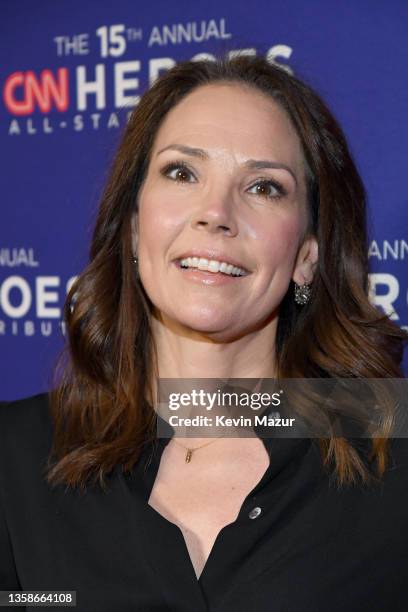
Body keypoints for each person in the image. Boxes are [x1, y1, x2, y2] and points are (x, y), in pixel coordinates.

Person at [0, 54, 407, 612]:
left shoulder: (391, 453)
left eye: (264, 187)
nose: (216, 213)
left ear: (306, 259)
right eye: (182, 172)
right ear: (136, 230)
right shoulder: (14, 458)